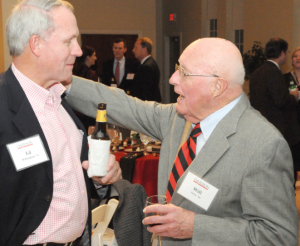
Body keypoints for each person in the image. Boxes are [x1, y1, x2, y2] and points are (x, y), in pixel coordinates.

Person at [66, 38, 299, 245]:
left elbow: (279, 236)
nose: (172, 79)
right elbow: (121, 105)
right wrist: (59, 80)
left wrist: (195, 227)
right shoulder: (177, 118)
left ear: (217, 86)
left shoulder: (263, 145)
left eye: (184, 72)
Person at [0, 1, 121, 245]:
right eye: (68, 42)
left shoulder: (59, 100)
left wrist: (98, 179)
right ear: (36, 45)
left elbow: (62, 179)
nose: (78, 51)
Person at [250, 38, 300, 183]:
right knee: (283, 169)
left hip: (262, 125)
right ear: (282, 53)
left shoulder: (257, 72)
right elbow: (280, 101)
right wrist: (294, 96)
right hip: (278, 128)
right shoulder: (274, 72)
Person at [131, 37, 162, 102]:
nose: (133, 50)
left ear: (144, 49)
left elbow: (146, 93)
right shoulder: (148, 63)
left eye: (136, 47)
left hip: (147, 107)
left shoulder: (147, 66)